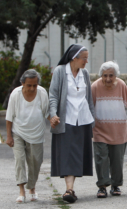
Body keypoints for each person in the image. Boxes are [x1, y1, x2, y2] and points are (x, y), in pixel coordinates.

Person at [49, 44, 95, 204]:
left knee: (76, 156)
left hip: (82, 121)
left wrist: (93, 121)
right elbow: (53, 95)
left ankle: (70, 189)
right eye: (84, 58)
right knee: (67, 155)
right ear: (74, 58)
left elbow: (89, 99)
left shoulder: (85, 74)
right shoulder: (60, 71)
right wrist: (53, 114)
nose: (86, 61)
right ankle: (69, 189)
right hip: (66, 120)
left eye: (87, 58)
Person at [91, 61, 127, 198]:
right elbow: (90, 107)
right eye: (105, 75)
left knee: (117, 160)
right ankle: (102, 186)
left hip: (118, 129)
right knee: (101, 158)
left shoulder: (121, 85)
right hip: (100, 129)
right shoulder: (95, 86)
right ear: (101, 75)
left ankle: (115, 185)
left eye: (111, 76)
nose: (108, 79)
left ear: (116, 76)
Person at [6, 69, 50, 204]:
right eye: (29, 85)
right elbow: (9, 116)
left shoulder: (42, 92)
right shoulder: (16, 94)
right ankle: (21, 191)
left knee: (35, 162)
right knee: (19, 160)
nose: (32, 88)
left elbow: (47, 113)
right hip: (18, 132)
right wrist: (9, 136)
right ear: (22, 83)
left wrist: (53, 120)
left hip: (36, 133)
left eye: (35, 85)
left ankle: (32, 188)